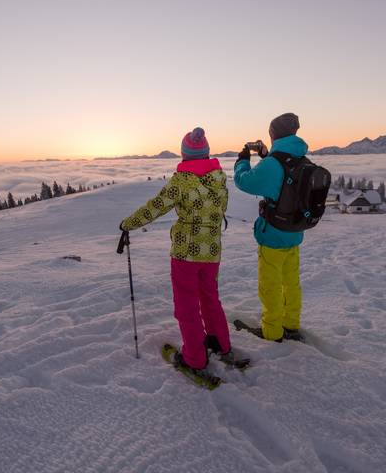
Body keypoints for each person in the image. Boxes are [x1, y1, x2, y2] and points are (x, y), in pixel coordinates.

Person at [120, 127, 232, 374]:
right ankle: (220, 343)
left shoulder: (181, 181)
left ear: (184, 154)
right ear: (206, 153)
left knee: (187, 305)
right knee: (210, 297)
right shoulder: (219, 178)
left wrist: (128, 224)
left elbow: (156, 207)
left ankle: (194, 358)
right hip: (212, 251)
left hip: (186, 254)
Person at [233, 113, 307, 343]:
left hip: (273, 234)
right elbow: (283, 180)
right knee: (291, 283)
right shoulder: (301, 159)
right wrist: (266, 155)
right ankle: (291, 324)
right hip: (294, 233)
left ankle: (272, 332)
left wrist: (242, 160)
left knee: (271, 286)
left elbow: (245, 181)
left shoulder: (273, 164)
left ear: (273, 134)